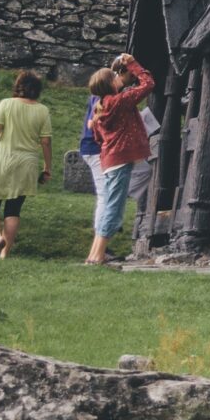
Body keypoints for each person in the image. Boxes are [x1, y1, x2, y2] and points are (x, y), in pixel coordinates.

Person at [85, 53, 155, 265]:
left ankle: (94, 254)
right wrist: (133, 64)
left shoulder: (100, 107)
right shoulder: (121, 101)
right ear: (110, 84)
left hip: (108, 160)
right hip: (121, 161)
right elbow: (148, 83)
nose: (119, 78)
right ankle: (97, 257)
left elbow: (98, 136)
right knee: (114, 208)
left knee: (109, 206)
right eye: (114, 77)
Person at [0, 72, 53, 257]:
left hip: (3, 160)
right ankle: (5, 253)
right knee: (13, 209)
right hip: (27, 164)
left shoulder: (7, 104)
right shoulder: (43, 110)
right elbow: (46, 142)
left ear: (18, 86)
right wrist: (47, 168)